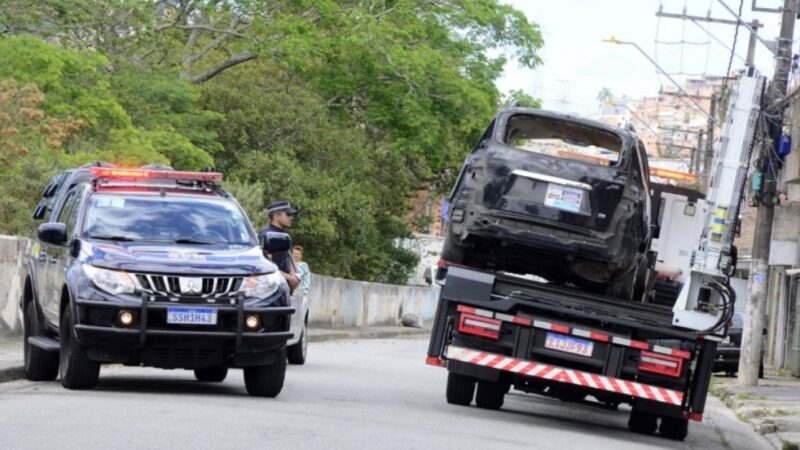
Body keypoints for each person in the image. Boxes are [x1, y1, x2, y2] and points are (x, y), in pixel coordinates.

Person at [259, 200, 300, 291]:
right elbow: (264, 266)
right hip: (270, 288)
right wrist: (289, 278)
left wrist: (294, 276)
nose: (291, 217)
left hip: (284, 287)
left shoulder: (284, 235)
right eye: (287, 214)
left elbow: (287, 258)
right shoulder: (267, 236)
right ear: (276, 216)